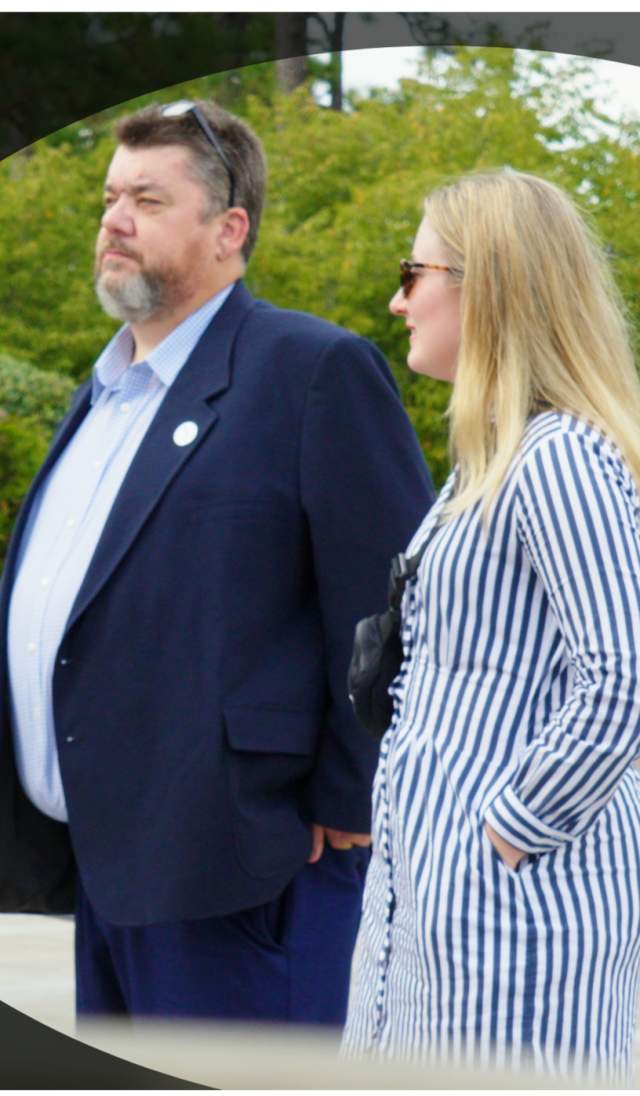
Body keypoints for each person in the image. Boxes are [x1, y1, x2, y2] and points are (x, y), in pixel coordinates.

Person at [0, 99, 434, 1024]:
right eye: (111, 197)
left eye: (148, 200)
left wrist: (357, 797)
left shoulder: (313, 369)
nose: (114, 219)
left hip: (247, 880)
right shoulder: (102, 393)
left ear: (229, 228)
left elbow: (399, 605)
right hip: (103, 875)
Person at [343, 168, 640, 1083]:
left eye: (414, 271)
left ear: (489, 284)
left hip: (514, 927)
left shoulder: (561, 458)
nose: (398, 302)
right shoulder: (490, 459)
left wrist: (508, 834)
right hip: (431, 917)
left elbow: (624, 674)